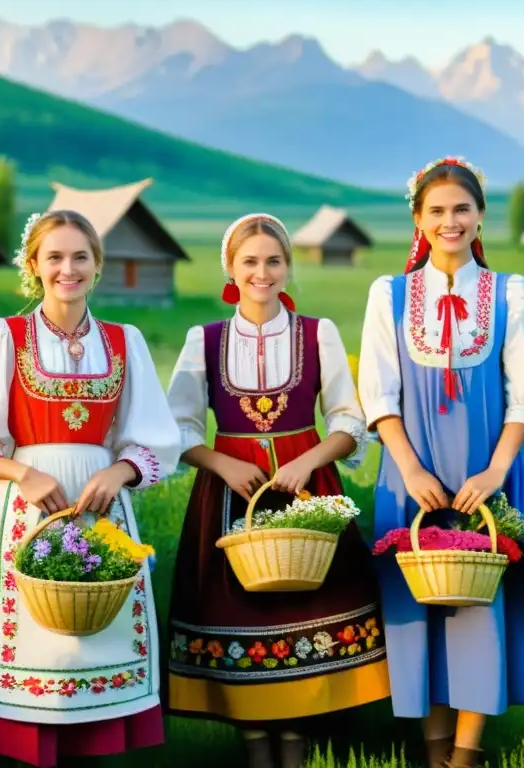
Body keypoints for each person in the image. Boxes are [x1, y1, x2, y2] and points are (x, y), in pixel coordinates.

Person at [0, 210, 181, 767]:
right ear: (34, 266)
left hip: (101, 508)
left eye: (79, 257)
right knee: (36, 647)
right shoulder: (5, 337)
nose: (67, 269)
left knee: (94, 645)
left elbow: (154, 438)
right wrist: (22, 471)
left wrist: (119, 472)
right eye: (55, 257)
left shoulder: (125, 342)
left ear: (97, 267)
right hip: (25, 511)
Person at [358, 158, 524, 768]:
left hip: (490, 469)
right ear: (417, 220)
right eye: (436, 211)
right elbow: (380, 393)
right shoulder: (389, 295)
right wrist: (411, 468)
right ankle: (431, 750)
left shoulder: (509, 293)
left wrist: (497, 471)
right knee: (419, 601)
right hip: (412, 474)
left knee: (482, 603)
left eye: (461, 209)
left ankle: (466, 754)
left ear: (479, 216)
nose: (449, 221)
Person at [164, 213, 390, 768]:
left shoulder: (319, 333)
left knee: (307, 604)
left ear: (287, 268)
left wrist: (307, 461)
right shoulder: (204, 341)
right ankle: (256, 748)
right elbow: (177, 430)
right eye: (250, 262)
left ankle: (296, 743)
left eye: (273, 261)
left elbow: (348, 418)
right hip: (228, 497)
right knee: (243, 616)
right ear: (230, 269)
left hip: (307, 489)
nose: (262, 273)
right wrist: (220, 461)